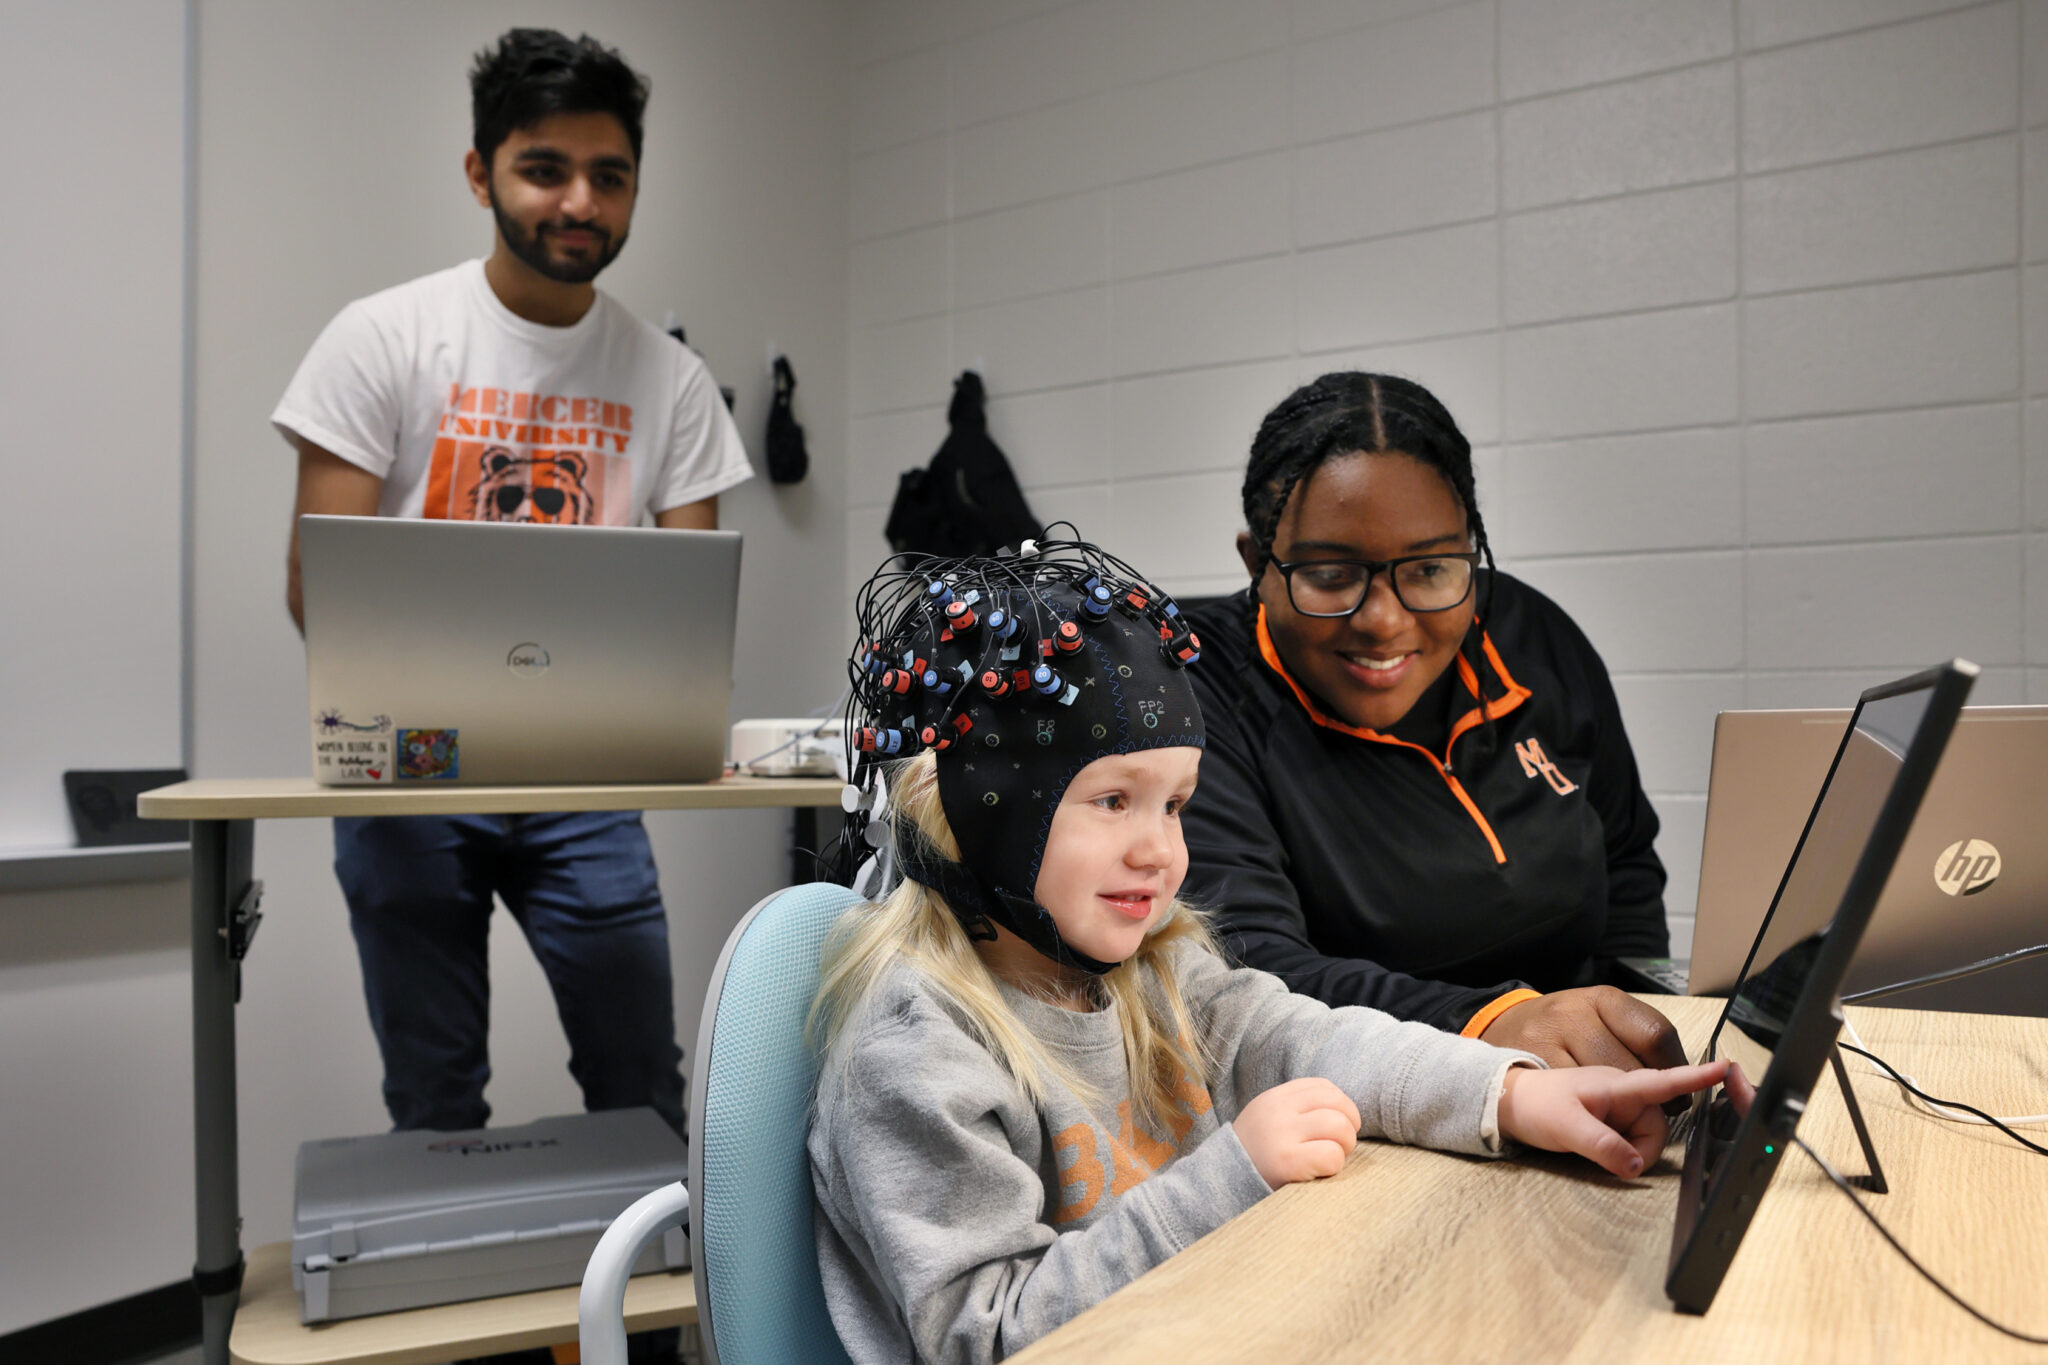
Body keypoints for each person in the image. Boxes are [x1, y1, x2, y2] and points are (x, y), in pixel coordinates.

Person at [806, 538, 1734, 1364]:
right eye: (1112, 800)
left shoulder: (1153, 967)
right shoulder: (917, 1051)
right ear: (974, 809)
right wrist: (1232, 1173)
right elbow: (989, 1334)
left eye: (1174, 803)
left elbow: (1308, 1039)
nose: (1159, 849)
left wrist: (1512, 1091)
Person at [273, 29, 753, 1138]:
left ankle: (644, 1317)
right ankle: (462, 1296)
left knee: (642, 1087)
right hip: (405, 774)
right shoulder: (384, 338)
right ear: (480, 172)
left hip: (586, 779)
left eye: (610, 175)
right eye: (544, 169)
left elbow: (688, 620)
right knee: (435, 1098)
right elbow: (320, 590)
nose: (578, 201)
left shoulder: (672, 381)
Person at [1180, 372, 1684, 1074]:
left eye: (1430, 569)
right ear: (1256, 563)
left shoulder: (1532, 634)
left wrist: (1641, 1025)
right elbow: (1245, 970)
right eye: (1329, 574)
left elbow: (1627, 858)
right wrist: (1489, 1023)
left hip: (1580, 1081)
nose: (1383, 620)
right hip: (1365, 1097)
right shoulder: (1191, 685)